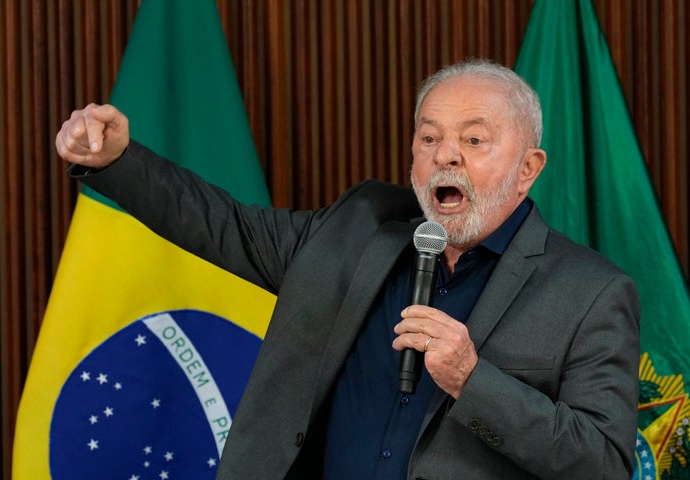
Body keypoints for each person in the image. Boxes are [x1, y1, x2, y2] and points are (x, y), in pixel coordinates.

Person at [55, 59, 640, 479]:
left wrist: (471, 379)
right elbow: (223, 225)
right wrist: (117, 163)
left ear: (528, 167)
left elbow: (604, 462)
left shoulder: (590, 292)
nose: (445, 154)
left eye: (474, 139)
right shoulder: (358, 227)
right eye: (428, 136)